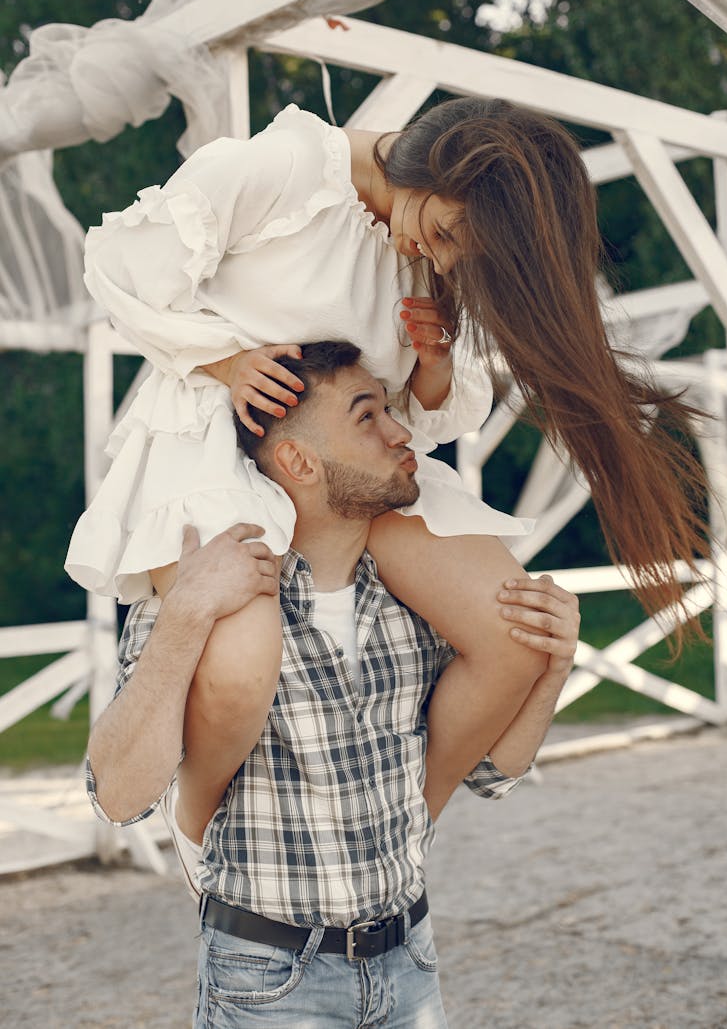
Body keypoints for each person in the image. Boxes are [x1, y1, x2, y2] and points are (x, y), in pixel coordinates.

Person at [68, 95, 708, 816]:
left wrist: (431, 367)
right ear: (439, 162)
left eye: (453, 253)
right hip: (219, 448)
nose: (432, 256)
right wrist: (228, 362)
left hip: (351, 469)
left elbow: (418, 416)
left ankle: (408, 824)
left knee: (515, 633)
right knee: (241, 663)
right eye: (441, 232)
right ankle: (196, 821)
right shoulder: (288, 169)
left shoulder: (431, 255)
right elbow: (119, 265)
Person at [86, 341, 580, 1028]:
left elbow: (493, 772)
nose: (400, 432)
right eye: (367, 417)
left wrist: (555, 666)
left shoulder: (414, 609)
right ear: (298, 462)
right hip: (270, 983)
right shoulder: (216, 599)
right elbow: (115, 796)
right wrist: (185, 615)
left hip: (411, 964)